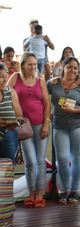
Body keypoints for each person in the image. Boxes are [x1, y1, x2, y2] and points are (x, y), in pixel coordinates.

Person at [7, 52, 51, 208]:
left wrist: (46, 124)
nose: (33, 67)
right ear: (23, 65)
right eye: (30, 64)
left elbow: (47, 104)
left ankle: (39, 193)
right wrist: (14, 120)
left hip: (40, 124)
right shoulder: (15, 78)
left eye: (35, 64)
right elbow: (6, 96)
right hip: (23, 126)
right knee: (30, 161)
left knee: (40, 160)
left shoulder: (41, 81)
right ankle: (30, 192)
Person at [47, 56, 80, 204]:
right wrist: (48, 116)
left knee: (76, 157)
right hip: (59, 126)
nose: (72, 70)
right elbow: (45, 101)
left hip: (79, 125)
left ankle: (74, 191)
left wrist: (73, 110)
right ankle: (65, 190)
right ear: (63, 67)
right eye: (69, 67)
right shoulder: (52, 83)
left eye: (75, 68)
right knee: (62, 159)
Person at [0, 63, 22, 162]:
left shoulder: (11, 91)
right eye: (1, 77)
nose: (5, 80)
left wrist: (15, 122)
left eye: (6, 76)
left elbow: (19, 115)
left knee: (7, 168)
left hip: (9, 133)